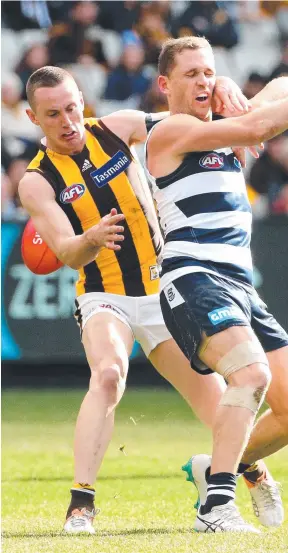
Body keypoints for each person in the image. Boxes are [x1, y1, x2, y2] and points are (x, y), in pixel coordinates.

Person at [18, 65, 280, 536]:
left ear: (83, 99)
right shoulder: (36, 181)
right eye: (53, 114)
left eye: (73, 107)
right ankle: (82, 503)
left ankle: (251, 471)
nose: (67, 121)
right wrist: (90, 239)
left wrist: (219, 88)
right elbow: (65, 251)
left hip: (164, 288)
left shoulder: (117, 128)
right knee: (109, 374)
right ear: (33, 118)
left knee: (218, 399)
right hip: (103, 292)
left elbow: (183, 120)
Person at [145, 36, 288, 533]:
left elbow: (279, 89)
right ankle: (216, 508)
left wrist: (232, 90)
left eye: (209, 72)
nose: (203, 81)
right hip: (194, 276)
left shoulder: (220, 126)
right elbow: (259, 125)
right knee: (250, 376)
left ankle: (216, 468)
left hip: (240, 285)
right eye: (191, 75)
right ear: (165, 85)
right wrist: (243, 113)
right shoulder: (172, 131)